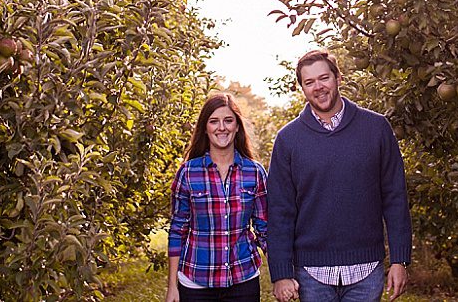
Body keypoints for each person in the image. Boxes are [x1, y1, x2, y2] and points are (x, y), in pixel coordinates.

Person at [267, 49, 412, 302]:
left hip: (367, 270)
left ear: (338, 78)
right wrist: (280, 273)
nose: (318, 87)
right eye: (309, 82)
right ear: (302, 88)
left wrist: (400, 260)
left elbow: (395, 197)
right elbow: (280, 211)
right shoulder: (288, 139)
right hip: (311, 275)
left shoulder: (376, 128)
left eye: (324, 78)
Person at [166, 93, 268, 302]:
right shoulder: (187, 172)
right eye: (214, 121)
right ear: (205, 128)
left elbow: (265, 229)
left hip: (243, 279)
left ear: (237, 126)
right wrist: (172, 287)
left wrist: (282, 275)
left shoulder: (255, 172)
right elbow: (177, 230)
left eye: (228, 120)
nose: (222, 127)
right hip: (196, 281)